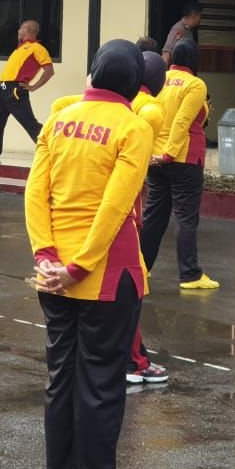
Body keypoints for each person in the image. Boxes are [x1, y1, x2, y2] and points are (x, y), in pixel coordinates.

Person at [29, 39, 154, 469]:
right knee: (101, 385)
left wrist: (47, 256)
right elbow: (116, 206)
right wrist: (80, 266)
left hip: (53, 272)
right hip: (105, 274)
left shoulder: (58, 120)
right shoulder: (133, 126)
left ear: (93, 74)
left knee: (61, 380)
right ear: (134, 85)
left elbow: (36, 192)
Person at [51, 51, 170, 385]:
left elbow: (59, 104)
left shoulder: (74, 112)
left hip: (93, 207)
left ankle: (134, 358)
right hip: (121, 207)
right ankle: (133, 362)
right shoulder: (144, 112)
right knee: (124, 288)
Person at [140, 40, 218, 289]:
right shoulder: (195, 84)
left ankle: (140, 268)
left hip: (155, 157)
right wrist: (170, 153)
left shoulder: (159, 79)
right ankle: (190, 274)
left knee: (154, 216)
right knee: (186, 218)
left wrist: (156, 153)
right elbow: (182, 121)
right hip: (183, 158)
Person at [0, 20, 54, 156]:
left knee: (28, 122)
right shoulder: (19, 48)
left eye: (20, 29)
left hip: (15, 89)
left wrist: (34, 87)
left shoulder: (37, 48)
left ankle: (50, 146)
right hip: (2, 88)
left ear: (27, 30)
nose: (18, 31)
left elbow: (49, 70)